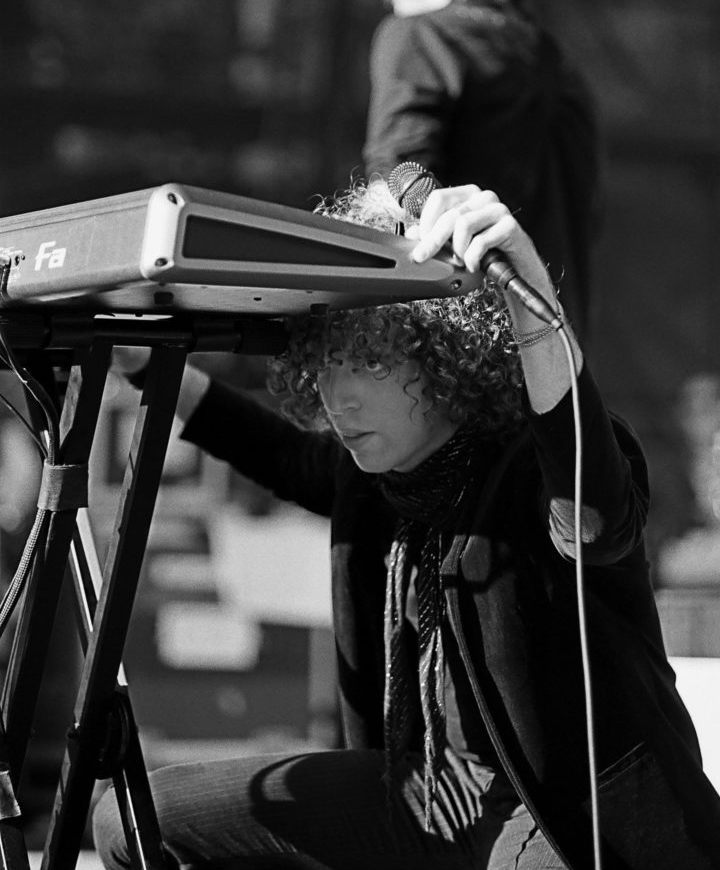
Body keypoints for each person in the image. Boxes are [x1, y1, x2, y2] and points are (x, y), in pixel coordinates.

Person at [92, 179, 720, 870]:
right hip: (432, 796)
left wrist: (529, 293)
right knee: (129, 819)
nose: (339, 395)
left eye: (369, 360)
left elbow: (594, 518)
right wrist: (149, 365)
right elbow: (283, 455)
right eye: (325, 363)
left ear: (442, 353)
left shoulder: (534, 465)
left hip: (570, 814)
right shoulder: (376, 477)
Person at [359, 0, 601, 340]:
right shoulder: (562, 67)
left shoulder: (418, 35)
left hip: (458, 350)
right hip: (556, 351)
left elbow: (395, 182)